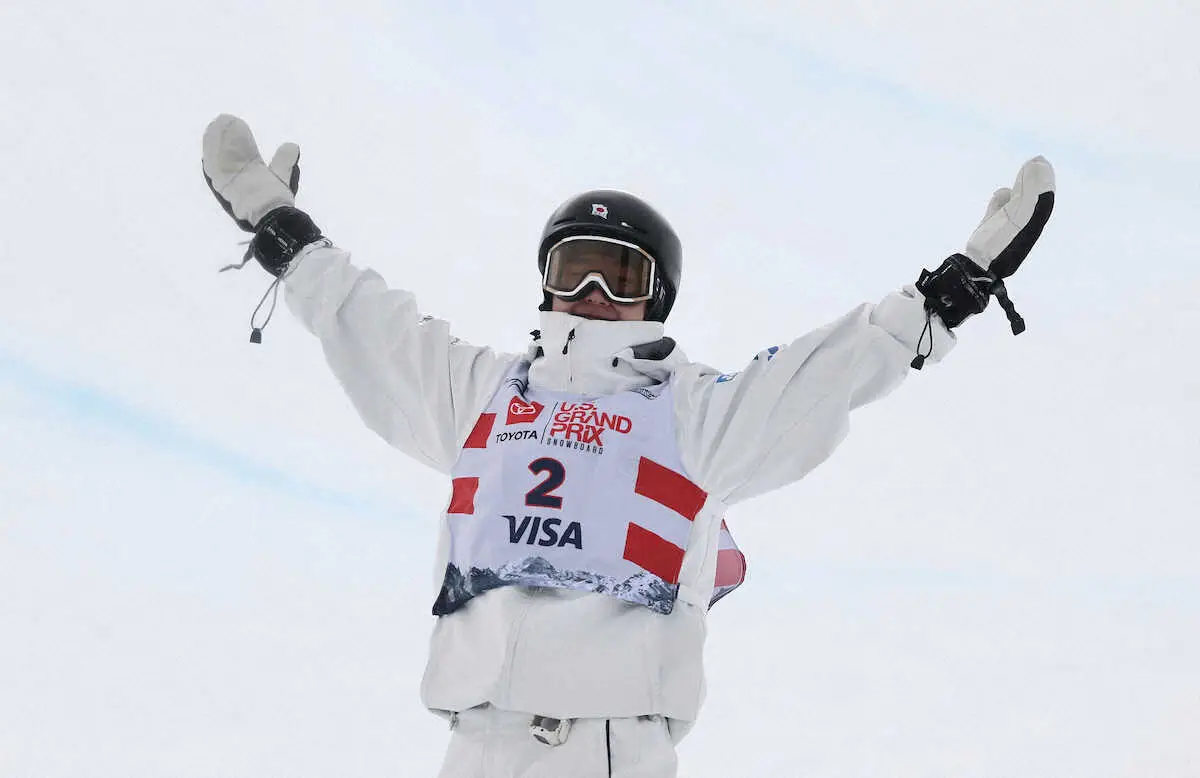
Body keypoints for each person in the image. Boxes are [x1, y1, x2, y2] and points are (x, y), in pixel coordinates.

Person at [201, 114, 1054, 778]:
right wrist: (279, 226)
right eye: (574, 269)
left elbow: (822, 376)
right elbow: (372, 325)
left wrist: (951, 292)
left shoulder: (691, 414)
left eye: (622, 275)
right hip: (477, 742)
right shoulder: (482, 394)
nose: (595, 294)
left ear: (658, 299)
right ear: (544, 281)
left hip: (607, 750)